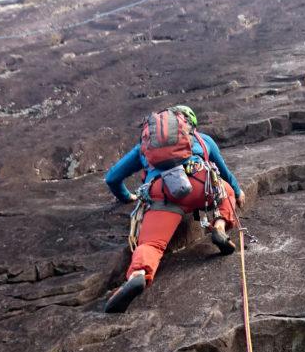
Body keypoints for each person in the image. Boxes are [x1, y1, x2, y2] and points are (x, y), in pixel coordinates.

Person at [102, 105, 245, 313]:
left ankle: (138, 275)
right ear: (188, 126)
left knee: (151, 243)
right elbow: (224, 172)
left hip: (165, 194)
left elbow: (112, 178)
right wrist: (238, 191)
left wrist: (127, 197)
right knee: (225, 190)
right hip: (199, 184)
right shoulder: (203, 140)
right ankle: (219, 227)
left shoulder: (145, 147)